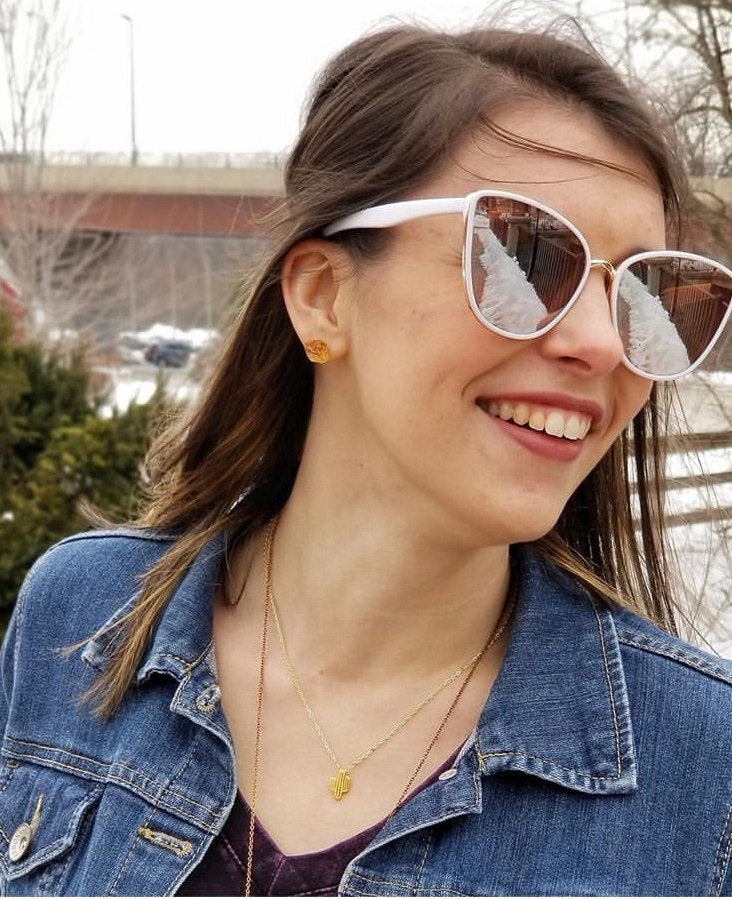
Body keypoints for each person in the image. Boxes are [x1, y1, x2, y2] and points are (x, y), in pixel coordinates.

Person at [0, 21, 731, 898]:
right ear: (323, 298)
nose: (599, 343)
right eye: (526, 256)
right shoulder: (80, 620)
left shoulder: (704, 766)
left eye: (643, 295)